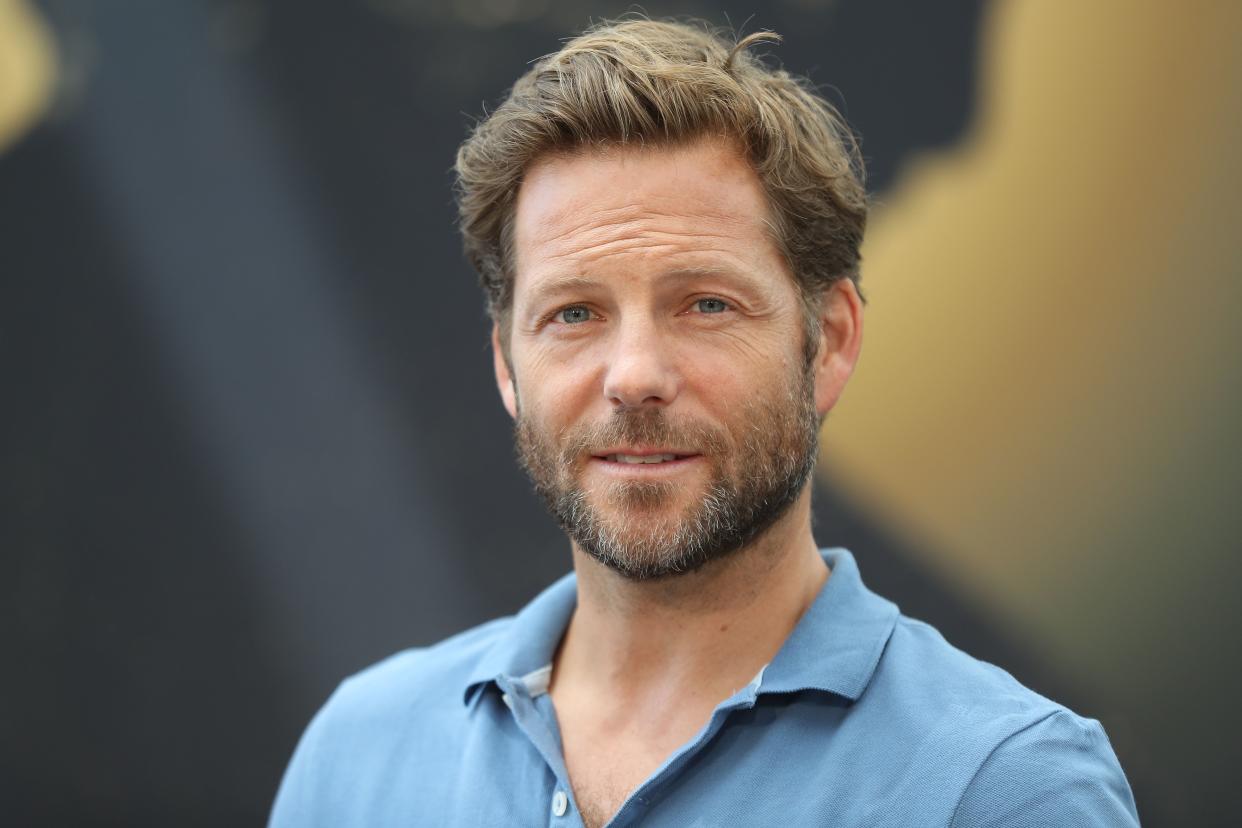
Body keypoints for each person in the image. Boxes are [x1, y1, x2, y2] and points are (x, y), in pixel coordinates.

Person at [269, 19, 1139, 827]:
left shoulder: (1003, 788)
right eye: (574, 314)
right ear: (506, 363)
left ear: (828, 342)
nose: (635, 376)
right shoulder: (358, 757)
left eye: (707, 304)